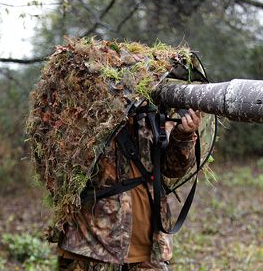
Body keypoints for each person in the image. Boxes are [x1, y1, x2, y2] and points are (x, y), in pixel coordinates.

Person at [57, 106, 201, 271]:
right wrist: (114, 112)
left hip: (149, 246)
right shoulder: (89, 111)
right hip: (92, 247)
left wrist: (184, 134)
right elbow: (64, 168)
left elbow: (173, 169)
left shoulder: (154, 116)